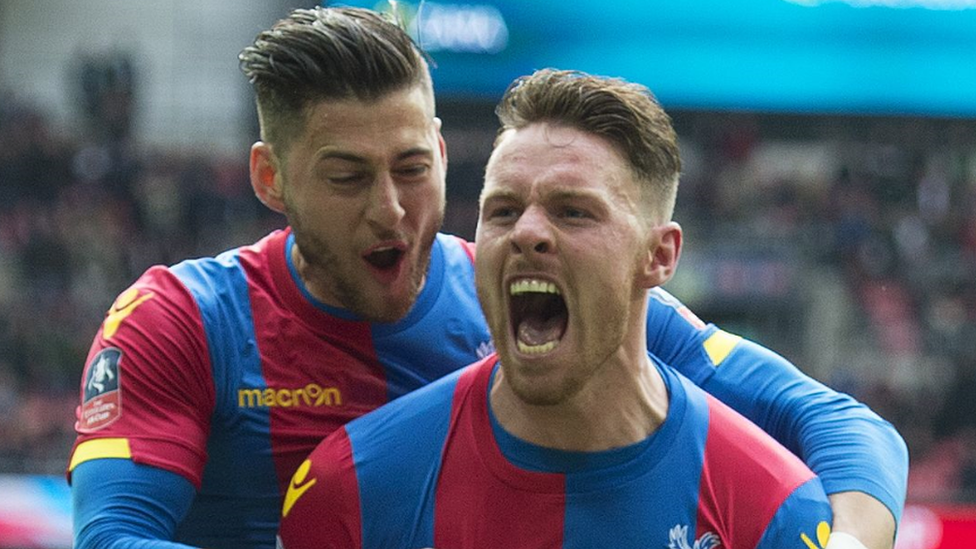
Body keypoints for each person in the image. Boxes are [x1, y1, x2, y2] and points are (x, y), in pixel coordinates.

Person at [66, 6, 904, 549]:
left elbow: (834, 420)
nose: (392, 211)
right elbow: (113, 537)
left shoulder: (524, 288)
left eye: (413, 166)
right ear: (270, 178)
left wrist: (851, 540)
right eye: (349, 176)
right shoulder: (180, 320)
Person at [277, 68, 835, 549]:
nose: (526, 233)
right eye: (502, 210)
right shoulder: (352, 487)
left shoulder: (773, 510)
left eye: (572, 212)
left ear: (658, 256)